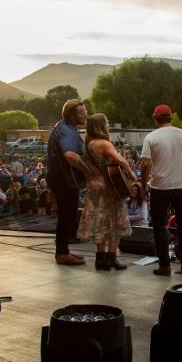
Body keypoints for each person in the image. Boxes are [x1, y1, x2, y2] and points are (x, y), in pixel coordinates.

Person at [140, 104, 182, 276]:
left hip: (159, 187)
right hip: (181, 185)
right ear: (171, 118)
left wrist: (143, 187)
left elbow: (144, 164)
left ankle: (164, 266)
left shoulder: (150, 137)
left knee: (159, 226)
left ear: (155, 118)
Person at [77, 114, 135, 270]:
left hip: (94, 186)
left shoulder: (87, 145)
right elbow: (120, 160)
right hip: (109, 187)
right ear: (101, 126)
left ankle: (100, 259)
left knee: (99, 222)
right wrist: (131, 174)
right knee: (116, 221)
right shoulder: (104, 143)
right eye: (107, 123)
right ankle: (111, 258)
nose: (108, 125)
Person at [46, 99, 91, 266]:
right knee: (67, 216)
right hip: (63, 179)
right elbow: (70, 155)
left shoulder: (65, 126)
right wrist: (88, 170)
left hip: (60, 177)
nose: (85, 114)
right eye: (81, 112)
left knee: (67, 215)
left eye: (85, 111)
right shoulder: (68, 132)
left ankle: (63, 250)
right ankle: (62, 254)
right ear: (71, 115)